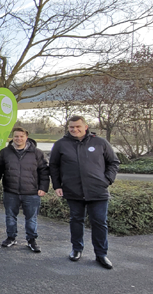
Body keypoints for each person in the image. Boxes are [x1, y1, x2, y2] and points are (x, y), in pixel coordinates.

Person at [49, 115, 119, 269]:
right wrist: (57, 185)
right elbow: (53, 166)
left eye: (78, 126)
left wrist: (107, 180)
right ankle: (77, 249)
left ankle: (101, 254)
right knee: (76, 220)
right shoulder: (61, 144)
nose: (75, 129)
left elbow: (113, 162)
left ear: (85, 127)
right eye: (71, 127)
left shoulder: (100, 142)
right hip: (73, 190)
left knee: (99, 222)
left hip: (97, 191)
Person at [0, 127, 49, 253]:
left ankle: (31, 240)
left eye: (21, 136)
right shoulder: (4, 153)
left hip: (31, 192)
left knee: (31, 218)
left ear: (26, 137)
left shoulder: (37, 153)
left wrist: (43, 187)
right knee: (10, 216)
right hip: (10, 191)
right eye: (16, 136)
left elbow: (44, 172)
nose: (18, 138)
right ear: (12, 137)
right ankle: (11, 237)